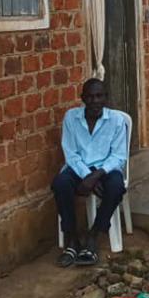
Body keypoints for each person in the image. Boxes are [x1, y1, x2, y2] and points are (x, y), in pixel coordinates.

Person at [51, 78, 128, 267]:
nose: (95, 101)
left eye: (99, 96)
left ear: (106, 98)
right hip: (78, 167)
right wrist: (86, 175)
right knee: (60, 183)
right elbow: (70, 153)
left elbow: (119, 156)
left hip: (105, 169)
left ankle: (94, 236)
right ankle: (72, 239)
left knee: (116, 187)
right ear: (83, 98)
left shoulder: (116, 121)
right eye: (90, 97)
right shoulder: (71, 118)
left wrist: (96, 175)